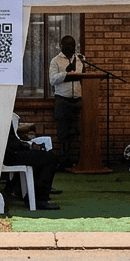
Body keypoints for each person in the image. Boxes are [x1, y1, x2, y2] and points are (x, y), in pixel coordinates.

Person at [48, 35, 85, 169]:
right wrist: (65, 73)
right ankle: (64, 162)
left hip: (77, 100)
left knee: (75, 132)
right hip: (63, 100)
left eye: (73, 45)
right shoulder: (56, 61)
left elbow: (84, 77)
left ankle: (75, 160)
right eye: (68, 45)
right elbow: (52, 80)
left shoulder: (80, 59)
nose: (71, 47)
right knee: (63, 133)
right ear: (61, 45)